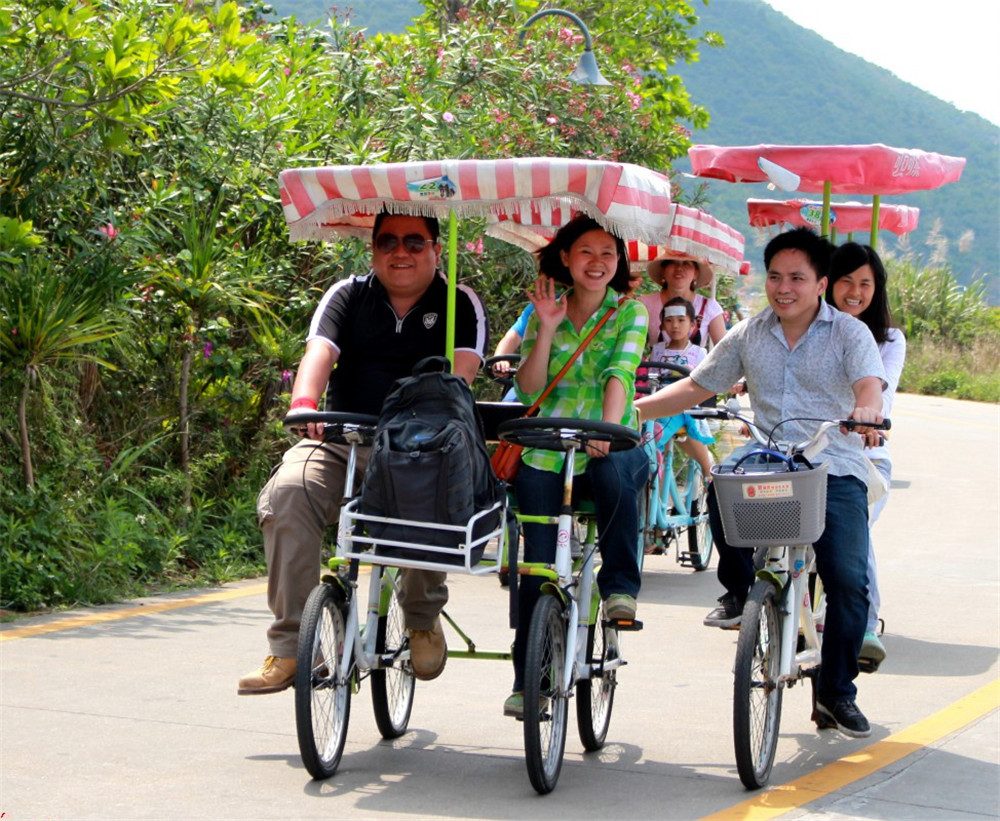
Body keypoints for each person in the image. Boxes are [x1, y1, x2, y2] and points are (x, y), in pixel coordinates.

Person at [635, 228, 886, 738]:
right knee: (719, 484)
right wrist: (629, 412)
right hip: (769, 456)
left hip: (832, 462)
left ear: (821, 283)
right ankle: (738, 594)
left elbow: (869, 385)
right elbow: (697, 385)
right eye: (775, 276)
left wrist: (867, 410)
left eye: (797, 277)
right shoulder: (749, 333)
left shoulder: (849, 334)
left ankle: (837, 692)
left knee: (847, 582)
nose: (783, 287)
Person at [238, 212, 489, 695]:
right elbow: (320, 353)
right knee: (287, 494)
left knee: (427, 495)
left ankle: (420, 617)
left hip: (420, 447)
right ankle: (291, 648)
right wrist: (304, 403)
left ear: (436, 250)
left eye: (415, 243)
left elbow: (461, 376)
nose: (402, 252)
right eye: (389, 242)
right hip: (342, 440)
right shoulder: (347, 295)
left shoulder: (459, 303)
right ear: (372, 249)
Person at [504, 215, 649, 718]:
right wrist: (544, 328)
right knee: (537, 566)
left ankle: (620, 589)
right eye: (586, 251)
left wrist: (607, 432)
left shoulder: (630, 312)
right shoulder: (544, 308)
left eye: (608, 253)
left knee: (612, 476)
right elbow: (529, 389)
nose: (598, 262)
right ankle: (529, 681)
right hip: (548, 446)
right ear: (566, 257)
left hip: (612, 439)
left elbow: (620, 374)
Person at [828, 242, 906, 671]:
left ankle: (865, 621)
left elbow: (883, 387)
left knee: (853, 528)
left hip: (865, 452)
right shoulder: (807, 327)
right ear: (828, 284)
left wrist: (870, 418)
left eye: (865, 283)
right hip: (809, 449)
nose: (855, 292)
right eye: (846, 281)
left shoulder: (889, 339)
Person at [647, 297, 714, 482]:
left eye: (681, 320)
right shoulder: (657, 350)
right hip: (659, 403)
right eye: (669, 320)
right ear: (662, 325)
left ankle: (709, 476)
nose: (674, 325)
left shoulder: (699, 353)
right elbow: (651, 377)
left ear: (693, 325)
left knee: (655, 433)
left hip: (684, 407)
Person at [641, 255, 726, 348]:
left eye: (687, 264)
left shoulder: (709, 307)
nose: (679, 268)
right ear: (663, 271)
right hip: (656, 361)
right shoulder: (644, 304)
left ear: (696, 273)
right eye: (673, 263)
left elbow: (723, 350)